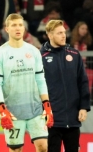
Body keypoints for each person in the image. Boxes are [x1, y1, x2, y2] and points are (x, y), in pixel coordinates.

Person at [0, 13, 54, 152]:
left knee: (43, 147)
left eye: (20, 25)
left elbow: (40, 79)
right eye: (13, 25)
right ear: (7, 29)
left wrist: (47, 105)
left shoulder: (33, 51)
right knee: (16, 150)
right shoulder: (0, 53)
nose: (18, 28)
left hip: (35, 110)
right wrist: (2, 109)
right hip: (13, 112)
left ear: (24, 28)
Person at [40, 19, 91, 152]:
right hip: (51, 120)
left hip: (73, 119)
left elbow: (83, 82)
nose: (64, 36)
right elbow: (36, 86)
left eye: (64, 32)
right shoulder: (40, 57)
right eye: (59, 33)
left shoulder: (74, 55)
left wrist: (84, 107)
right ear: (50, 35)